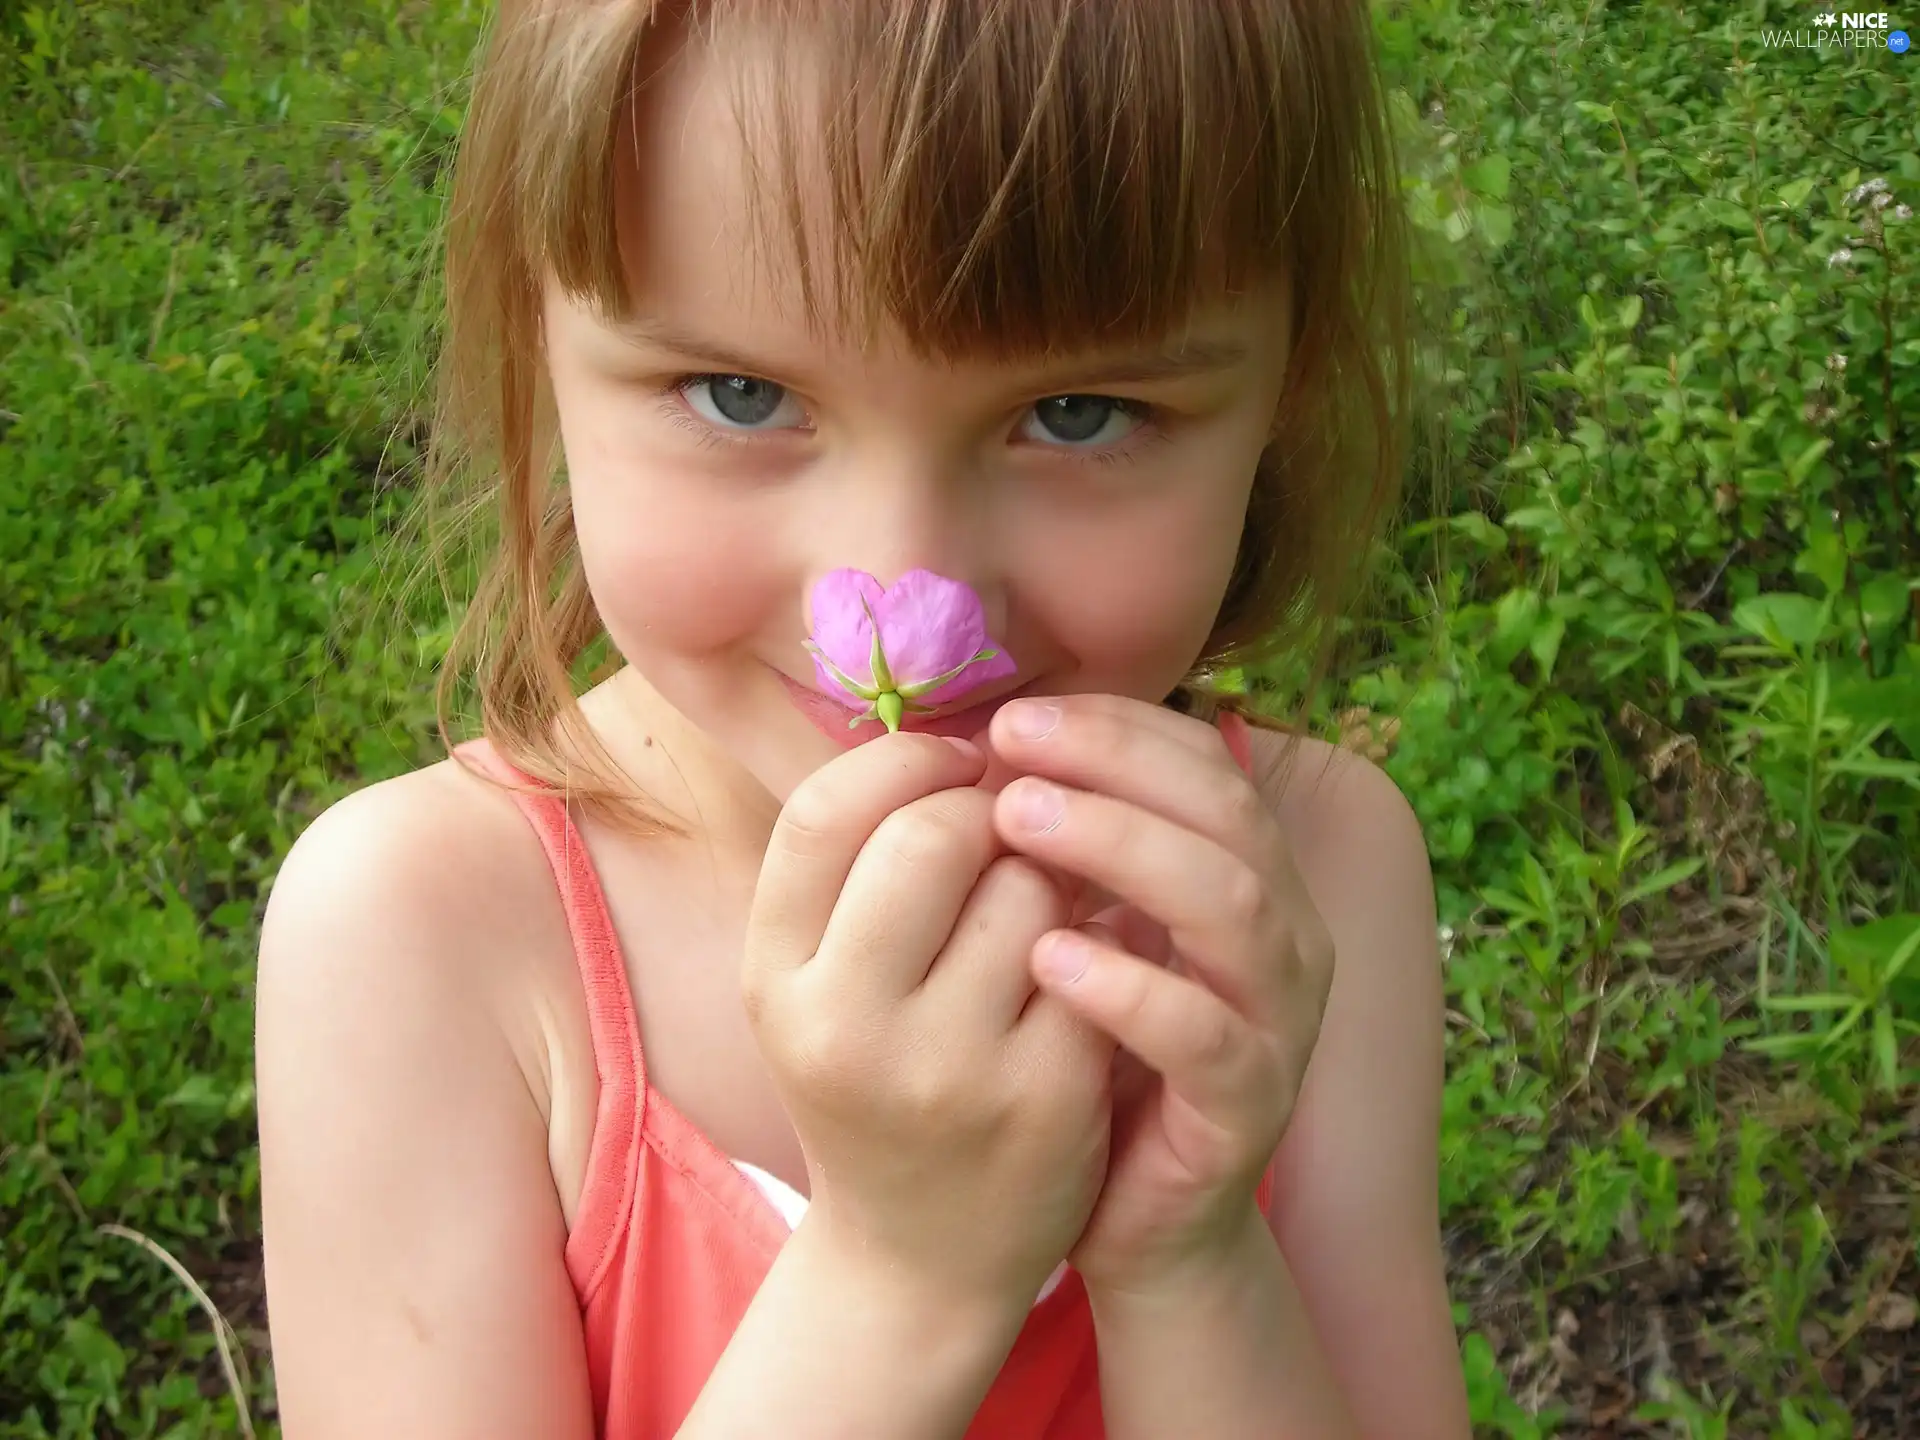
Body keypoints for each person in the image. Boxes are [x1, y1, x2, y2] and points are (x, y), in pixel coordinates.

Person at [255, 1, 1470, 1436]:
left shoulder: (1309, 876)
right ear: (541, 343)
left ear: (1290, 383)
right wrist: (904, 1274)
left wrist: (1188, 1254)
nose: (904, 583)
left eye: (1080, 412)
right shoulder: (422, 937)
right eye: (740, 392)